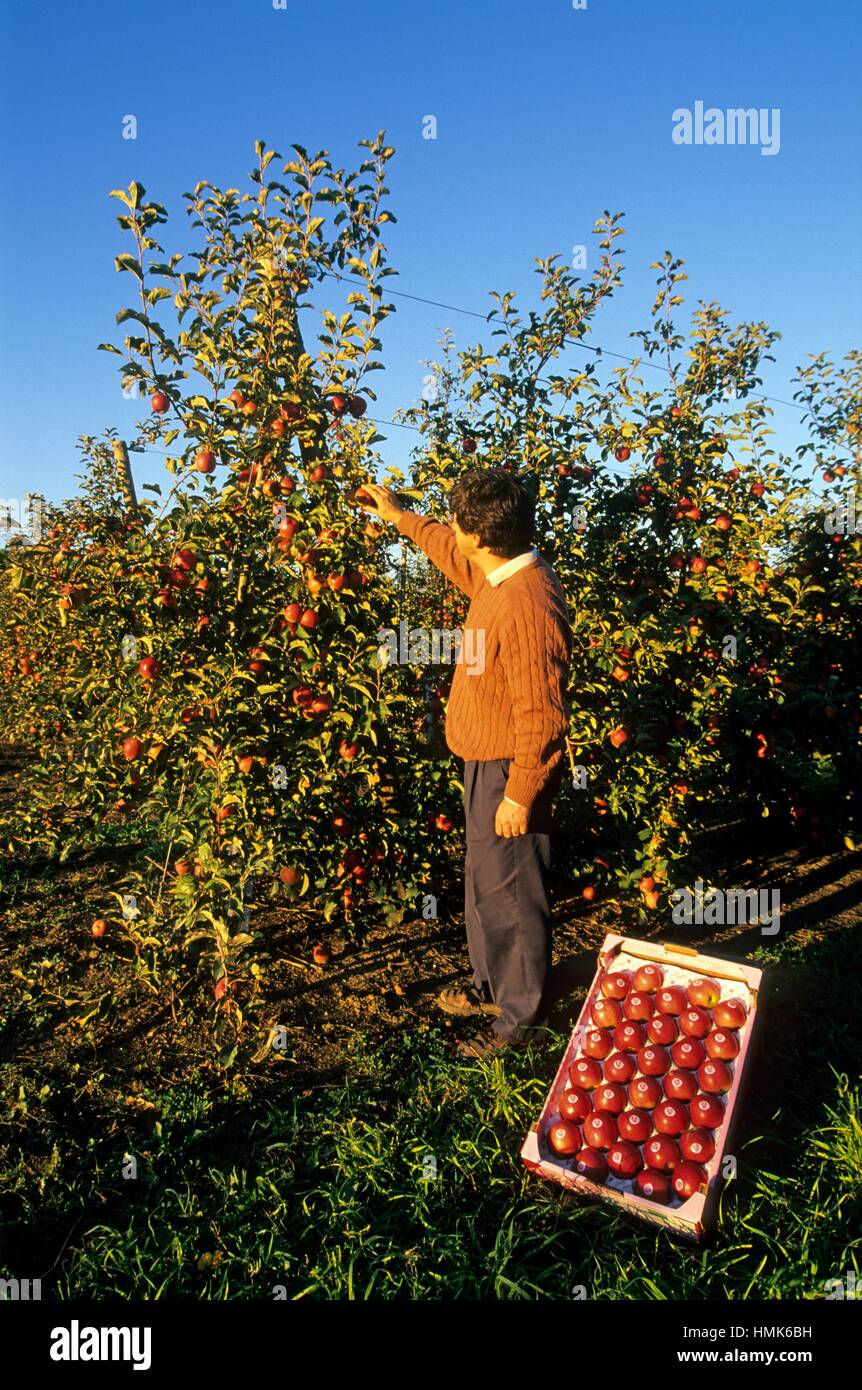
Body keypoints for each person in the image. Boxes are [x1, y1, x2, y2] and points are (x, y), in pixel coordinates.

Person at [361, 470, 572, 1057]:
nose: (453, 533)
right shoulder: (498, 571)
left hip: (511, 768)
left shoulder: (528, 602)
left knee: (510, 894)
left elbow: (545, 713)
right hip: (487, 761)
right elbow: (451, 553)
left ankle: (521, 1024)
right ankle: (490, 987)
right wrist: (400, 516)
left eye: (458, 523)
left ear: (483, 534)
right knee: (485, 886)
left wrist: (522, 792)